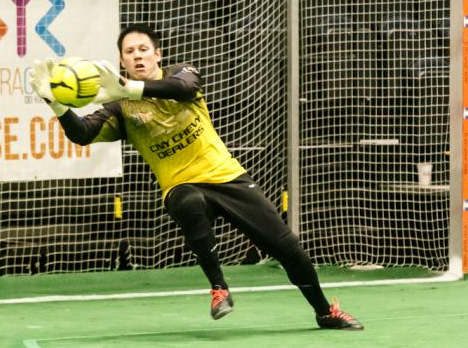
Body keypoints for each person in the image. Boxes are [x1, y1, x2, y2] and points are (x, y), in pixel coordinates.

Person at [29, 24, 363, 330]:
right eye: (130, 52)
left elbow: (184, 88)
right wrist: (56, 104)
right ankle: (219, 287)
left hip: (227, 177)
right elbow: (84, 134)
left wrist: (130, 89)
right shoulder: (119, 107)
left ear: (157, 54)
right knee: (188, 201)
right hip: (180, 186)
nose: (138, 55)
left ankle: (325, 312)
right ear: (122, 61)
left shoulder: (180, 75)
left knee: (289, 249)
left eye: (143, 49)